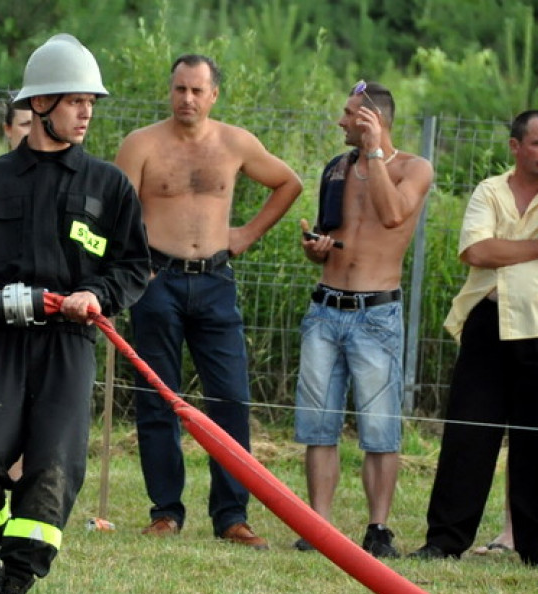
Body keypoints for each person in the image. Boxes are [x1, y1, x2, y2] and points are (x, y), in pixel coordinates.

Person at [0, 34, 150, 594]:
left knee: (53, 471)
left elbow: (133, 266)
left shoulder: (110, 188)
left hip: (67, 347)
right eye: (76, 100)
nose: (86, 113)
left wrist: (96, 296)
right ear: (43, 104)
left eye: (91, 103)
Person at [114, 54, 302, 547]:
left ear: (214, 94)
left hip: (216, 281)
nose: (187, 99)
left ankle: (231, 515)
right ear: (169, 91)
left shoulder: (235, 142)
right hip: (157, 281)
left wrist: (246, 234)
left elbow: (289, 183)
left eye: (197, 91)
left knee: (232, 399)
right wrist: (137, 265)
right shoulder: (141, 144)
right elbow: (117, 212)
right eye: (179, 89)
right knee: (158, 398)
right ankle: (165, 511)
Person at [297, 80, 433, 558]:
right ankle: (319, 525)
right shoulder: (336, 168)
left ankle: (379, 529)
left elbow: (394, 216)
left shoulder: (414, 168)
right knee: (318, 425)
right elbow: (332, 238)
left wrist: (375, 154)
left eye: (351, 114)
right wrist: (316, 248)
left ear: (374, 119)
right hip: (325, 308)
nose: (341, 121)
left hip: (375, 314)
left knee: (379, 428)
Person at [409, 110, 538, 566]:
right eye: (537, 143)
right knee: (468, 434)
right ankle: (444, 541)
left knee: (534, 440)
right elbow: (476, 251)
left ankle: (533, 548)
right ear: (516, 146)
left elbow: (492, 250)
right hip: (487, 322)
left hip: (537, 328)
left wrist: (505, 251)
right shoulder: (489, 190)